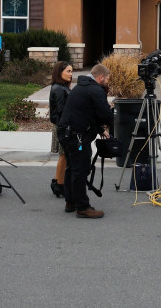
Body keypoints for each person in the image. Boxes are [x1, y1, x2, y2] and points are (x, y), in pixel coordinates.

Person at [57, 63, 113, 219]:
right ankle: (82, 207)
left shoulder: (81, 87)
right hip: (78, 137)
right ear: (101, 77)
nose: (107, 80)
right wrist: (109, 115)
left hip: (66, 133)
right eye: (107, 78)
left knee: (72, 167)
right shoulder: (95, 90)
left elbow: (87, 113)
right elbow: (104, 115)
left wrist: (100, 130)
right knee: (80, 169)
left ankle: (71, 201)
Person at [49, 62, 73, 198]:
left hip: (61, 125)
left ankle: (58, 182)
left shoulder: (61, 87)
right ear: (60, 72)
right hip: (61, 126)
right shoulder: (58, 88)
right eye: (68, 71)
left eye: (71, 71)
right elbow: (61, 110)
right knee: (64, 155)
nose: (71, 74)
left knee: (64, 155)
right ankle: (59, 184)